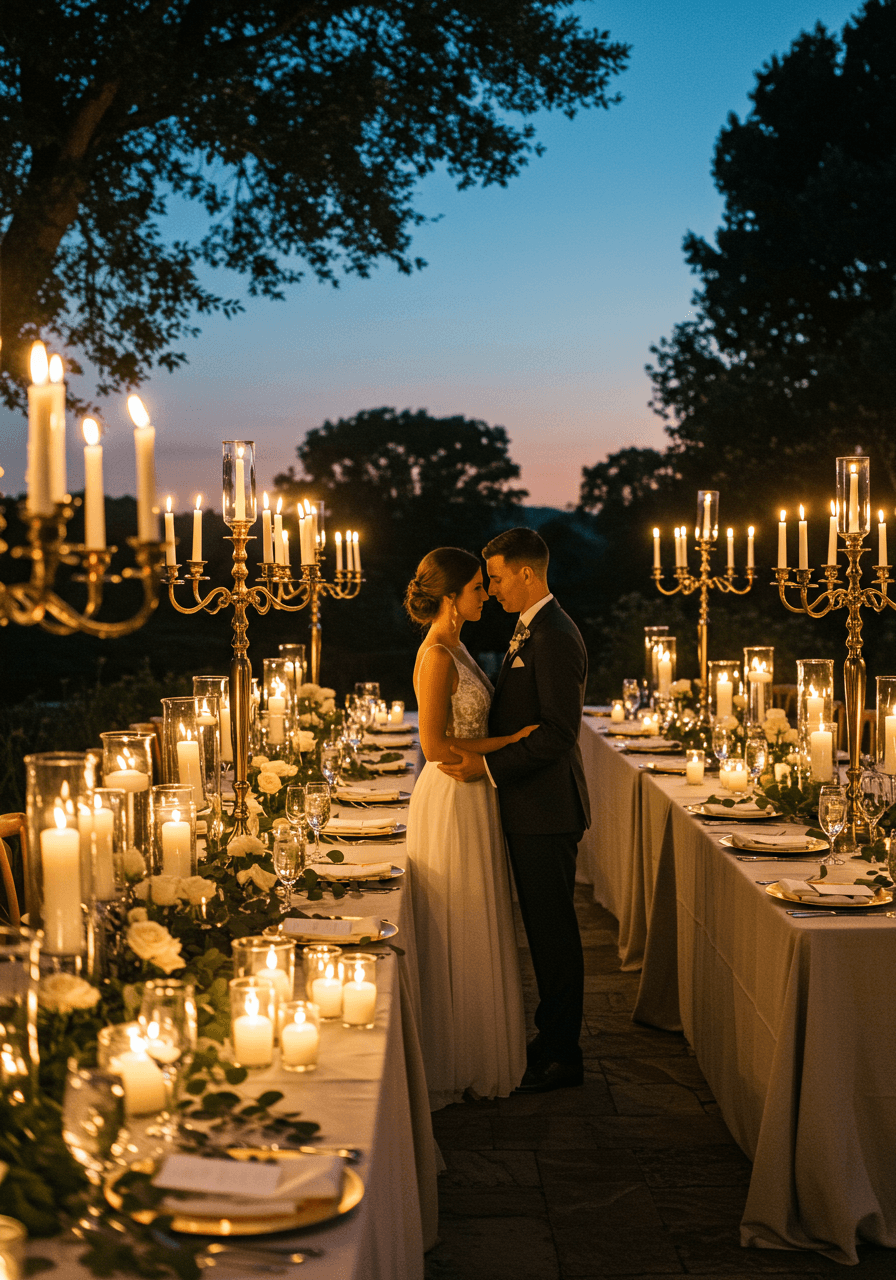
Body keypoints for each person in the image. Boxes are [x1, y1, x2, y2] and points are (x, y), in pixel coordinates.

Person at [439, 527, 590, 1094]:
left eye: (497, 577)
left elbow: (557, 733)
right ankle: (549, 1036)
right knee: (542, 929)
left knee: (553, 933)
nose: (493, 588)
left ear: (527, 574)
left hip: (548, 809)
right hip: (530, 806)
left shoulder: (554, 635)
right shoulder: (529, 630)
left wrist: (490, 767)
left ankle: (562, 1054)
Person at [405, 547, 535, 1109]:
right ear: (453, 596)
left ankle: (477, 1045)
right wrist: (509, 744)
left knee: (477, 912)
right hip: (453, 792)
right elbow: (433, 747)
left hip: (475, 792)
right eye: (479, 588)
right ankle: (454, 1056)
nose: (488, 594)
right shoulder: (436, 655)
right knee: (458, 915)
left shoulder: (456, 645)